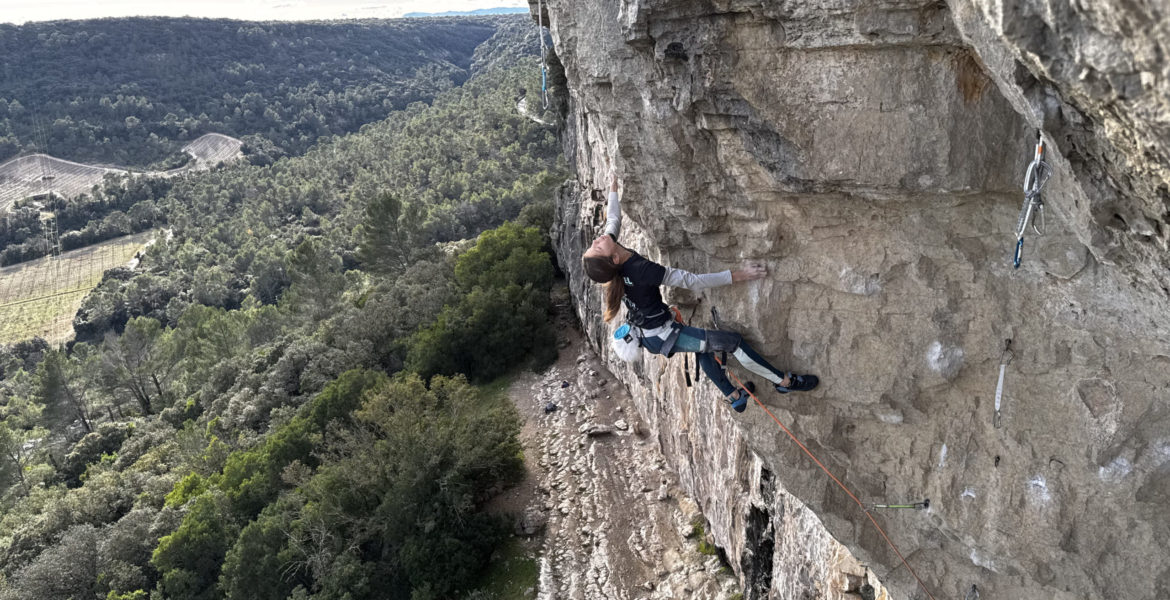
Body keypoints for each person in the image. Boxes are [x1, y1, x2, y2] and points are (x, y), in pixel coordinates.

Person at [581, 172, 818, 412]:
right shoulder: (641, 270)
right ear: (612, 258)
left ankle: (735, 396)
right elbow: (691, 280)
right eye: (596, 247)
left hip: (650, 332)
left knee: (704, 347)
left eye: (593, 245)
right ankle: (784, 382)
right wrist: (738, 275)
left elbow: (613, 220)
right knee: (733, 343)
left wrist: (612, 188)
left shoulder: (617, 260)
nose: (598, 239)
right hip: (662, 335)